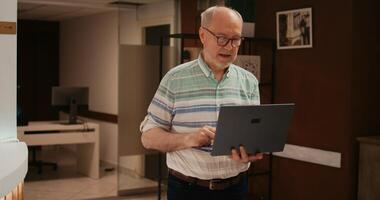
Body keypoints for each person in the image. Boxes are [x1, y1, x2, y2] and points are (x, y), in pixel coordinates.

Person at [140, 6, 263, 200]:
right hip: (187, 190)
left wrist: (249, 152)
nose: (230, 46)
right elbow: (148, 137)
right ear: (203, 35)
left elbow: (251, 135)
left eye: (236, 39)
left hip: (236, 188)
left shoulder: (249, 81)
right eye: (222, 38)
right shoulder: (175, 79)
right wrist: (189, 139)